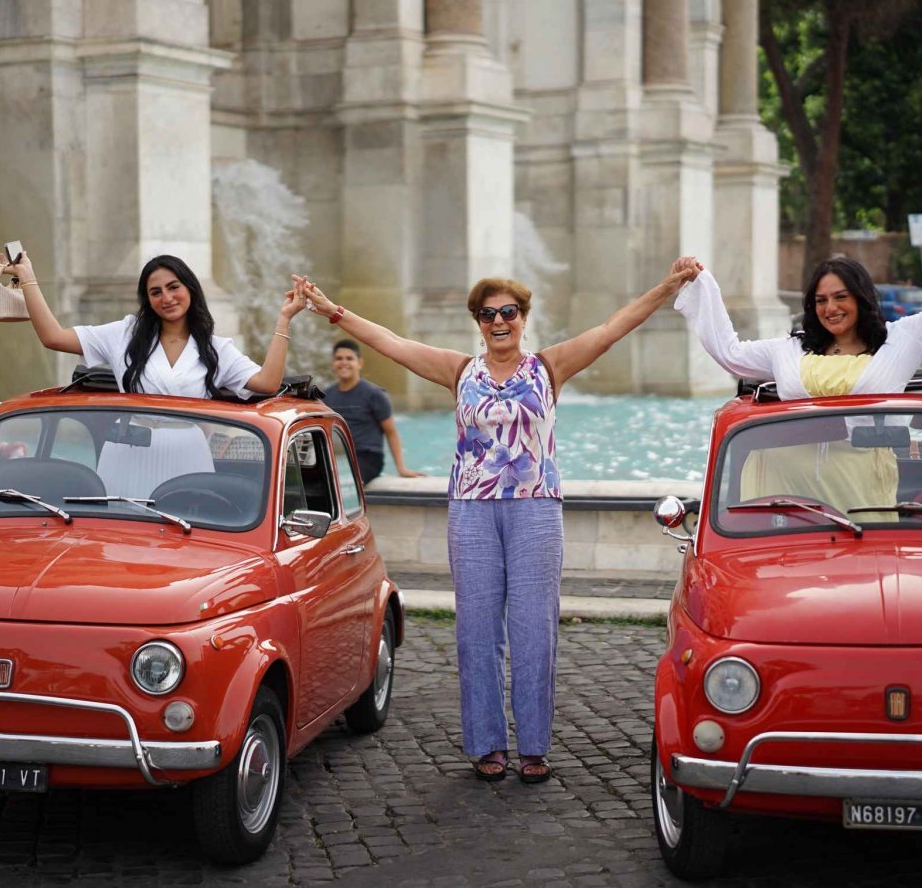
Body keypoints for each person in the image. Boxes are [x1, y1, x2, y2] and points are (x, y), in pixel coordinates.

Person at [296, 258, 701, 785]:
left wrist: (668, 286)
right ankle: (486, 743)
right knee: (476, 631)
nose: (499, 321)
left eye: (508, 311)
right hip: (471, 511)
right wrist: (332, 311)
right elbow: (390, 341)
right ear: (478, 322)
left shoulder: (549, 367)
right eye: (488, 314)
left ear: (524, 316)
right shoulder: (460, 371)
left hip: (535, 509)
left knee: (535, 630)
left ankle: (533, 746)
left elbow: (612, 328)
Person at [677, 226, 922, 399]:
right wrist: (701, 283)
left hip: (868, 496)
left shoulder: (903, 340)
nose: (830, 308)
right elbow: (729, 353)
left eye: (840, 297)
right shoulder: (789, 349)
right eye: (820, 301)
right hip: (793, 496)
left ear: (861, 298)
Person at [0, 250, 304, 398]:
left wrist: (284, 319)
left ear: (190, 289)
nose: (167, 297)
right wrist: (28, 279)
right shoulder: (125, 334)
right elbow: (53, 337)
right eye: (155, 292)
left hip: (192, 468)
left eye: (174, 287)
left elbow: (268, 384)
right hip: (125, 463)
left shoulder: (216, 349)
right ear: (147, 300)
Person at [323, 339, 426, 484]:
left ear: (360, 363)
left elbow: (391, 432)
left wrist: (401, 468)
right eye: (339, 359)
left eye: (349, 358)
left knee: (343, 480)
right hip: (339, 457)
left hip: (368, 458)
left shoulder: (374, 394)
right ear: (333, 364)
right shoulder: (327, 395)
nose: (344, 362)